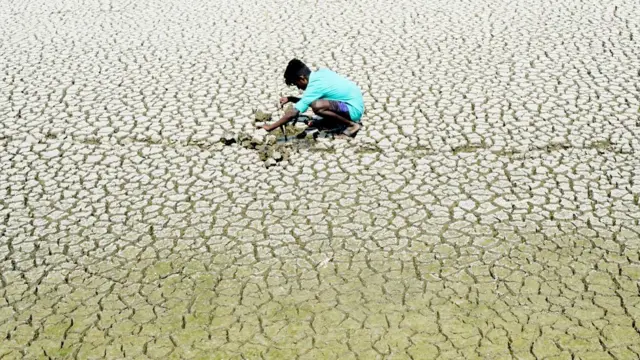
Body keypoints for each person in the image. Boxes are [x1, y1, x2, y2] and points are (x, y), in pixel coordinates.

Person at [257, 59, 364, 137]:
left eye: (296, 84)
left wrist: (270, 127)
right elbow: (308, 100)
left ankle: (352, 125)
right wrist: (291, 99)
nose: (299, 87)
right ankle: (333, 122)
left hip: (353, 110)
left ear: (302, 79)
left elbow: (293, 113)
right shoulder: (321, 73)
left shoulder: (314, 87)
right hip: (354, 102)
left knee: (317, 106)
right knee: (317, 104)